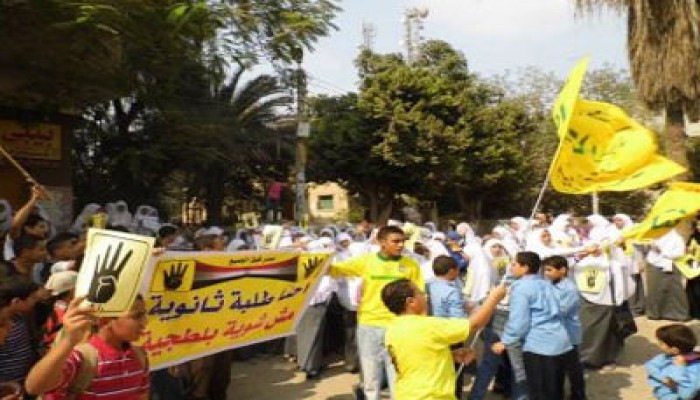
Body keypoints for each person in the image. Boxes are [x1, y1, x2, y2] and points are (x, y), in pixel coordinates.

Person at [329, 225, 424, 400]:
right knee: (371, 376)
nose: (401, 245)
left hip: (398, 327)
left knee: (397, 376)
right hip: (369, 326)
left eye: (403, 241)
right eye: (396, 241)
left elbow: (420, 298)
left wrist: (421, 326)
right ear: (381, 242)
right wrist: (310, 262)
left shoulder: (411, 266)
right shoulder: (366, 261)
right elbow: (335, 270)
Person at [382, 278, 507, 400]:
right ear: (411, 302)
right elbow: (474, 325)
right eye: (420, 293)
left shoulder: (393, 329)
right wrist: (494, 298)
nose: (425, 296)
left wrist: (450, 356)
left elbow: (415, 357)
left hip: (406, 394)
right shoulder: (427, 326)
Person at [25, 295, 149, 399]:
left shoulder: (139, 356)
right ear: (106, 320)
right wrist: (69, 340)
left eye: (144, 315)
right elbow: (34, 387)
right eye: (137, 316)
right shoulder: (82, 358)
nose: (145, 322)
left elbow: (142, 395)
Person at [492, 251, 572, 400]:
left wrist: (506, 341)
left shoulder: (522, 288)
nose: (511, 267)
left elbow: (519, 321)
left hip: (540, 345)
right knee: (554, 389)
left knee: (538, 390)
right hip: (559, 341)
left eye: (514, 264)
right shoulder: (546, 284)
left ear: (525, 268)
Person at [542, 255, 586, 400]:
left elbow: (560, 311)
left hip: (568, 335)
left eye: (550, 270)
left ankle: (578, 396)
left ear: (562, 270)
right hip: (554, 334)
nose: (546, 273)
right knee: (556, 369)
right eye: (545, 270)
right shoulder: (548, 284)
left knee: (573, 369)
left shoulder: (569, 289)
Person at [426, 256, 468, 399]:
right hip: (449, 336)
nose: (459, 273)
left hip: (429, 334)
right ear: (451, 271)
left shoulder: (427, 285)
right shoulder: (451, 291)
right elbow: (458, 320)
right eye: (457, 270)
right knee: (454, 372)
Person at [645, 324, 700, 400]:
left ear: (675, 350)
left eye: (661, 344)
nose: (659, 345)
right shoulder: (667, 356)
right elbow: (651, 365)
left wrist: (680, 368)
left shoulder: (695, 368)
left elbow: (686, 395)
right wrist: (664, 379)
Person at [646, 229, 688, 321]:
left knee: (674, 291)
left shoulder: (677, 238)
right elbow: (649, 249)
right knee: (655, 290)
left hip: (671, 265)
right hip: (654, 264)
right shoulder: (655, 236)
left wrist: (662, 251)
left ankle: (677, 314)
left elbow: (680, 253)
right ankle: (655, 313)